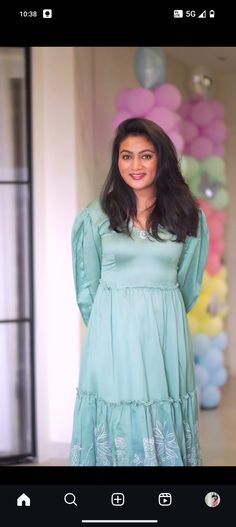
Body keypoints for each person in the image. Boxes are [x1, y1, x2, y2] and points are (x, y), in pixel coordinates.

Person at [69, 117, 209, 466]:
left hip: (165, 336)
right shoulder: (95, 215)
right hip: (112, 338)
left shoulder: (187, 215)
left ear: (160, 159)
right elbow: (86, 287)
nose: (135, 165)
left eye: (145, 156)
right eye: (126, 156)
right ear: (116, 161)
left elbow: (188, 284)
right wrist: (110, 327)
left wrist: (161, 316)